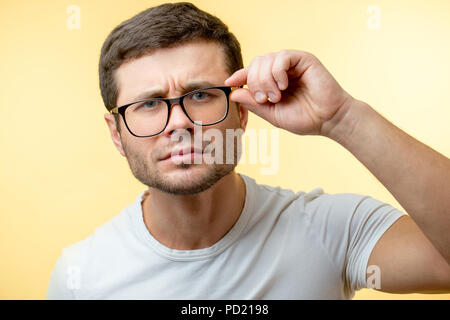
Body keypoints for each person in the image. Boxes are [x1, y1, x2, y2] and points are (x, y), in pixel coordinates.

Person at [46, 2, 450, 299]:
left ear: (242, 112)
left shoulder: (330, 229)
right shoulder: (82, 275)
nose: (179, 122)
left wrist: (343, 118)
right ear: (117, 134)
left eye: (201, 94)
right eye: (149, 104)